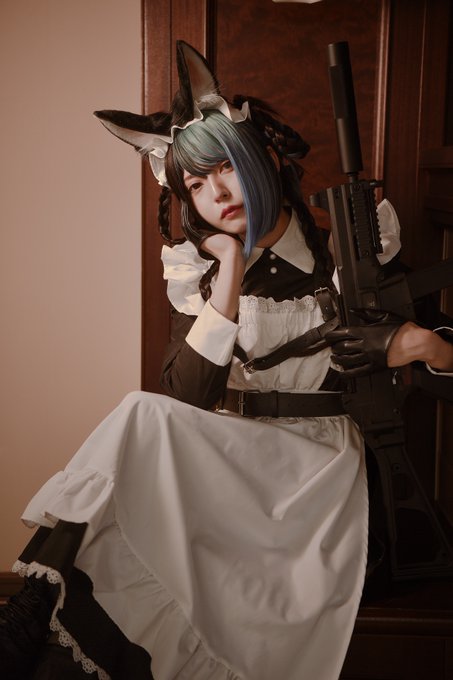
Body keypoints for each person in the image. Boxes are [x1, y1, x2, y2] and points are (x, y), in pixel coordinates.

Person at [1, 41, 452, 680]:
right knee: (141, 418)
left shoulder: (352, 253)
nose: (216, 192)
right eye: (195, 183)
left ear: (257, 161)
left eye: (225, 168)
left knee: (137, 417)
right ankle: (26, 617)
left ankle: (22, 622)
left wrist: (423, 345)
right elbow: (187, 399)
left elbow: (441, 349)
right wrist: (230, 274)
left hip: (317, 469)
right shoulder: (206, 275)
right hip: (233, 458)